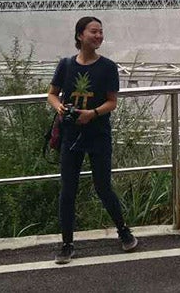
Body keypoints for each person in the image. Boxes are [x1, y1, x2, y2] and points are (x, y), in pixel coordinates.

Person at [48, 16, 138, 264]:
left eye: (101, 32)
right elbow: (52, 94)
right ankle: (66, 244)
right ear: (80, 36)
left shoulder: (108, 67)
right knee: (68, 189)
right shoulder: (66, 65)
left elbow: (112, 102)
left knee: (103, 186)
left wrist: (92, 114)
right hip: (71, 136)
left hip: (98, 134)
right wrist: (60, 109)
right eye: (93, 32)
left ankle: (123, 231)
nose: (98, 36)